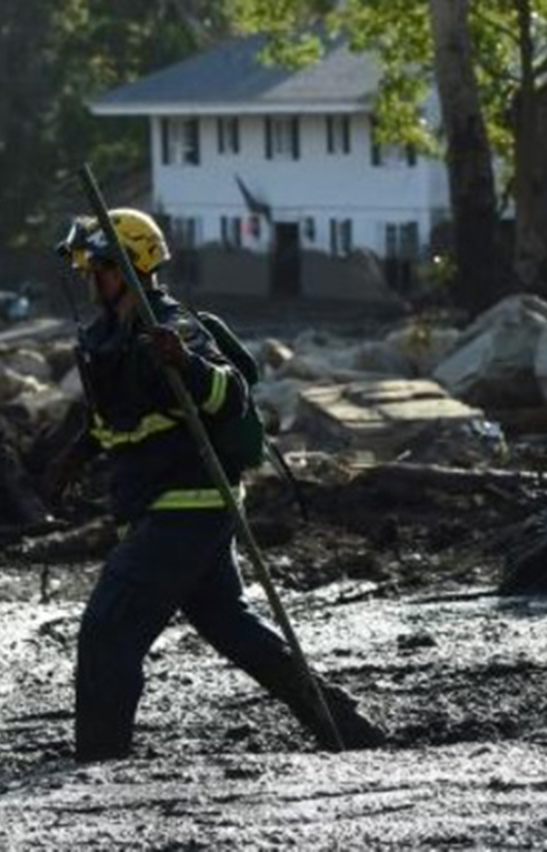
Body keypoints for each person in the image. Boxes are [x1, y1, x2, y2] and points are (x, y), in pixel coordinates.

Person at [47, 208, 385, 762]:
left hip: (186, 508)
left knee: (108, 629)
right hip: (163, 507)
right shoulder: (109, 336)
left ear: (133, 266)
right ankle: (347, 728)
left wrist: (187, 364)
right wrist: (73, 455)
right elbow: (118, 418)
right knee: (236, 631)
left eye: (101, 269)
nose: (91, 281)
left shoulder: (173, 328)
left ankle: (98, 760)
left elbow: (230, 396)